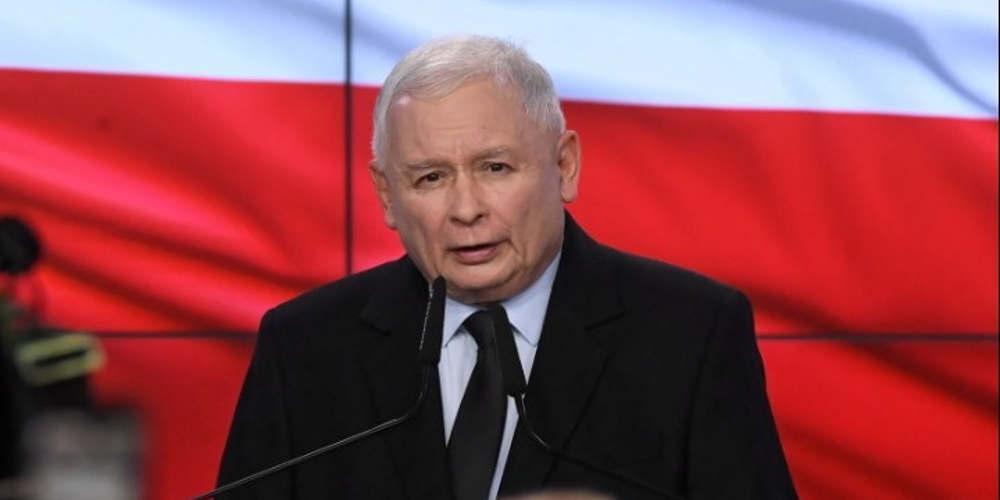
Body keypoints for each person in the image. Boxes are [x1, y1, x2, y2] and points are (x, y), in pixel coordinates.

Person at [218, 35, 797, 499]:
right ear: (388, 196)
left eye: (495, 168)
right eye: (431, 177)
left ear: (564, 166)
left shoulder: (689, 334)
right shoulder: (307, 347)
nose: (466, 209)